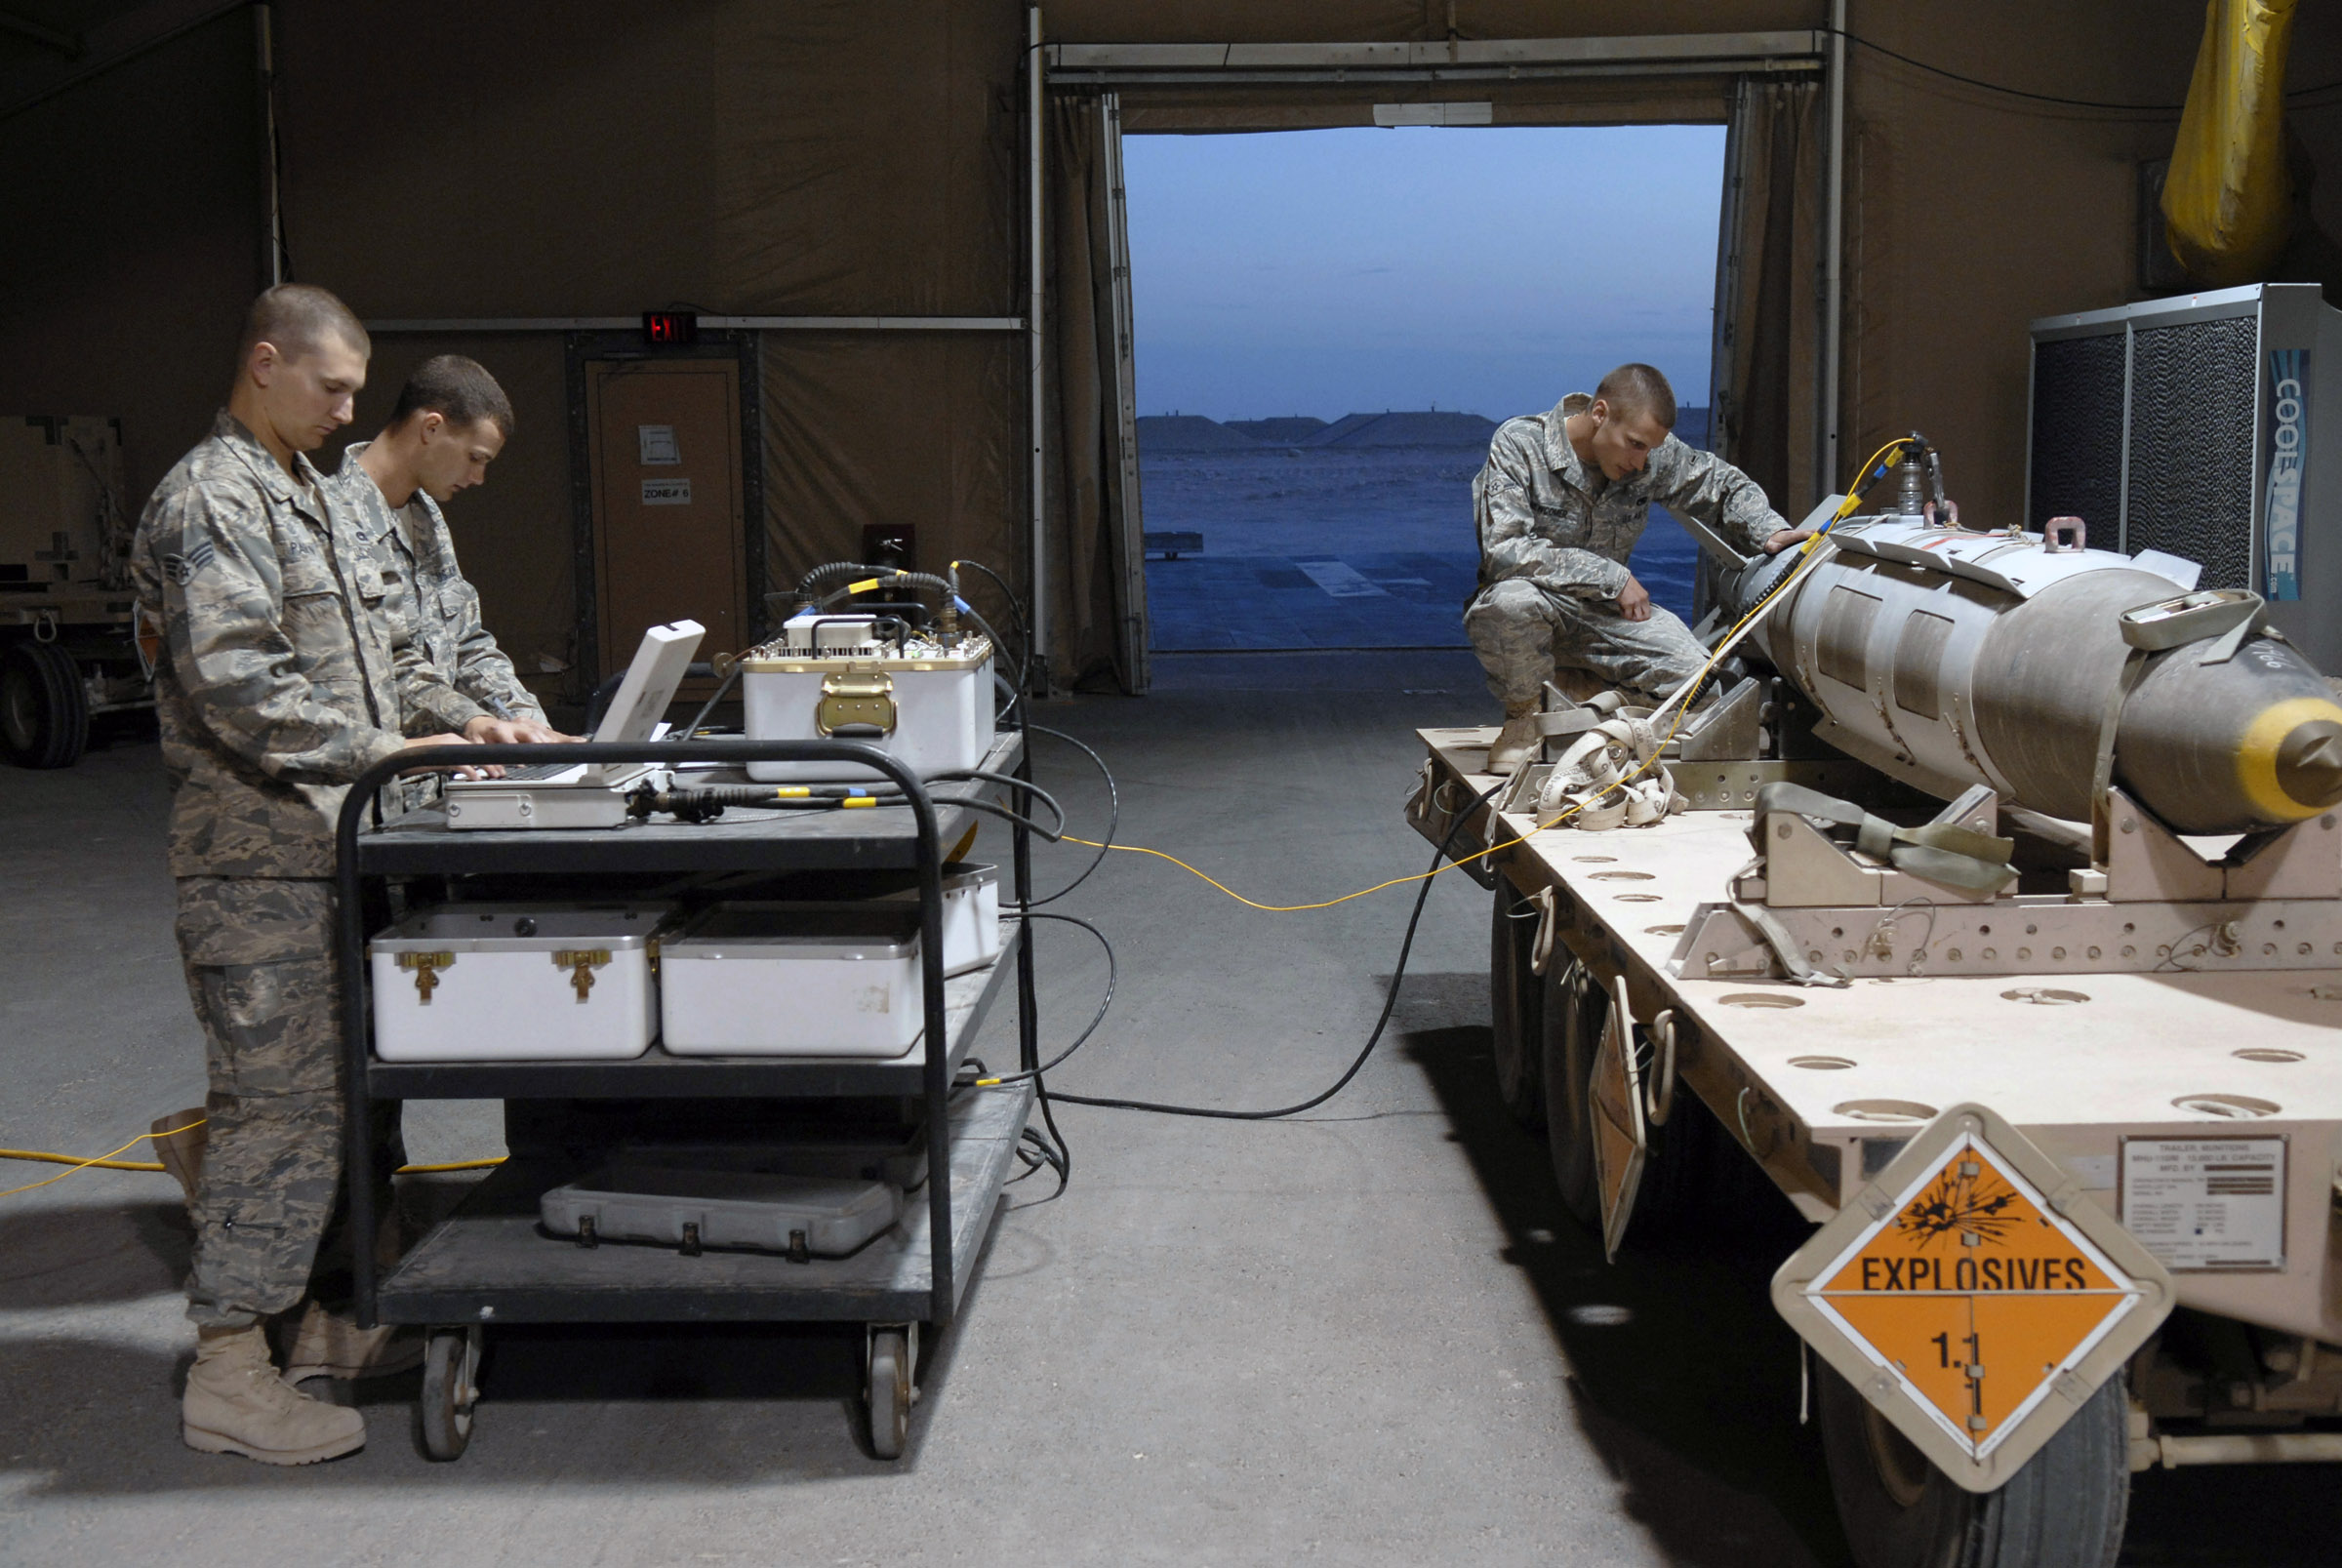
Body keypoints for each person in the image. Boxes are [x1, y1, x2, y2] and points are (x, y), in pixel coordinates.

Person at [133, 285, 531, 1466]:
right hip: (255, 867)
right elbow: (239, 685)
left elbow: (398, 655)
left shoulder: (311, 497)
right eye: (335, 388)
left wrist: (462, 721)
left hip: (338, 850)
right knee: (277, 1112)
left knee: (351, 1102)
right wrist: (387, 751)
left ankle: (314, 1318)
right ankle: (228, 1370)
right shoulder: (210, 497)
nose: (352, 410)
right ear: (266, 362)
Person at [1467, 363, 1813, 773]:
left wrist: (1770, 530)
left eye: (1648, 449)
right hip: (1536, 605)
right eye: (1634, 445)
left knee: (1700, 689)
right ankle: (1526, 721)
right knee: (1508, 604)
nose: (1640, 461)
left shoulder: (1648, 454)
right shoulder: (1521, 443)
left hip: (1604, 616)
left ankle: (1582, 696)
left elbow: (1722, 484)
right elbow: (1505, 550)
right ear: (1600, 413)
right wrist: (1611, 577)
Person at [329, 355, 570, 780]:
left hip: (450, 779)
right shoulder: (330, 521)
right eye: (475, 458)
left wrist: (527, 724)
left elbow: (466, 643)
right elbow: (386, 665)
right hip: (380, 786)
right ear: (431, 428)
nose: (478, 477)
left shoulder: (425, 516)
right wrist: (472, 720)